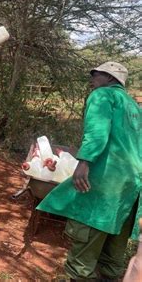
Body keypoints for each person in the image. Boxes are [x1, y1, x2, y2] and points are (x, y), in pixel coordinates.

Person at [37, 61, 141, 281]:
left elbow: (97, 132)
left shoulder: (103, 95)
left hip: (104, 183)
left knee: (82, 258)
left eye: (97, 75)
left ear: (111, 79)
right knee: (112, 259)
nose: (92, 79)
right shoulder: (133, 106)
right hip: (131, 187)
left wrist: (83, 163)